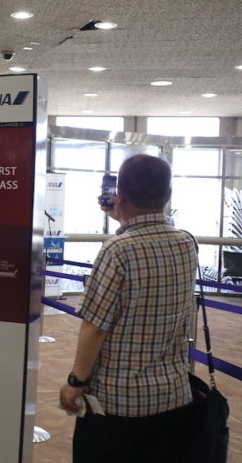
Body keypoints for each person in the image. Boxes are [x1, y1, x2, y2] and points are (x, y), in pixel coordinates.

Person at [59, 155, 197, 463]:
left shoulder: (117, 251)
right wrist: (124, 217)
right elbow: (152, 237)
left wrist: (75, 382)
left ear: (120, 193)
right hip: (174, 395)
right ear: (169, 194)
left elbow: (95, 326)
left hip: (118, 405)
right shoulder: (187, 243)